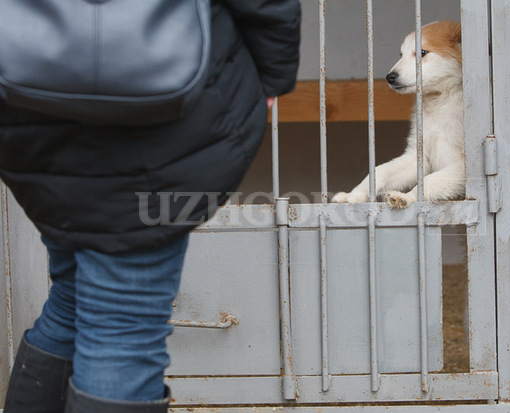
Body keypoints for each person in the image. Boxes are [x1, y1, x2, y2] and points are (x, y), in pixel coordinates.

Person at [0, 0, 301, 411]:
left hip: (27, 97)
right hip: (161, 116)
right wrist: (272, 73)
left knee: (73, 296)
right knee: (124, 323)